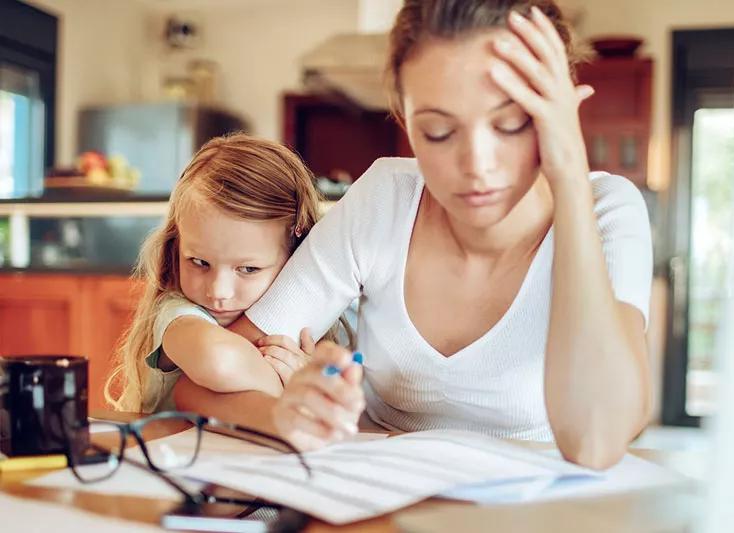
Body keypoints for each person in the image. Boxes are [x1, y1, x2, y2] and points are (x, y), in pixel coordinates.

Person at [175, 0, 653, 469]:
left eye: (512, 123)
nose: (477, 167)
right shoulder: (383, 200)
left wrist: (569, 173)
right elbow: (198, 386)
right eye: (439, 132)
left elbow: (597, 442)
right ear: (404, 117)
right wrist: (287, 414)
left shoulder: (606, 211)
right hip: (379, 501)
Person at [104, 134, 326, 413]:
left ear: (295, 255)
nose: (218, 291)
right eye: (199, 262)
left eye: (248, 269)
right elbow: (216, 358)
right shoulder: (178, 313)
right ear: (176, 246)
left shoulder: (313, 318)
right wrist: (299, 389)